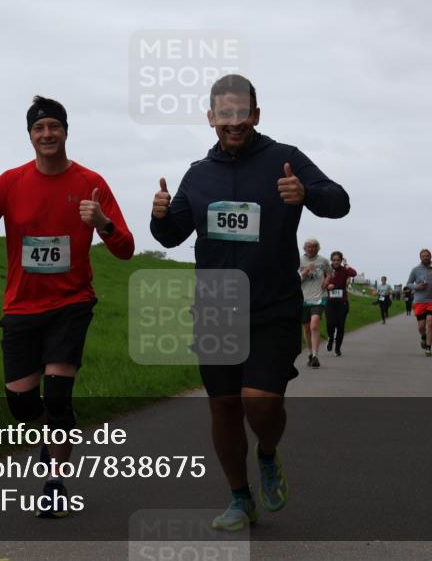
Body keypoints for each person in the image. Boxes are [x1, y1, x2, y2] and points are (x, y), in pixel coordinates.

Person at [150, 74, 350, 531]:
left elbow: (339, 201)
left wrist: (308, 193)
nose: (234, 122)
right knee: (223, 406)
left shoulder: (285, 159)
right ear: (211, 119)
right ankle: (240, 498)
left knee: (259, 403)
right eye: (225, 114)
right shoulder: (199, 175)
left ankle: (266, 452)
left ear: (255, 115)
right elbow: (170, 234)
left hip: (273, 306)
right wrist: (160, 212)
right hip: (216, 307)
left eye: (242, 113)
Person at [0, 95, 135, 517]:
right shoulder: (10, 183)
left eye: (54, 126)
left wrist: (102, 223)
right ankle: (52, 432)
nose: (47, 134)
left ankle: (54, 480)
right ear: (30, 136)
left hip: (72, 302)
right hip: (21, 306)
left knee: (56, 393)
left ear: (66, 131)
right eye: (39, 128)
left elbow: (125, 249)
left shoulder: (91, 183)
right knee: (21, 406)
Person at [406, 249, 432, 357]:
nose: (425, 257)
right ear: (420, 258)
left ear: (430, 256)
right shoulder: (415, 270)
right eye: (423, 256)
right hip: (419, 301)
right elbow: (408, 284)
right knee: (421, 327)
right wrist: (417, 287)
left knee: (430, 323)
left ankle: (428, 348)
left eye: (427, 256)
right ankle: (423, 337)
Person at [299, 238, 330, 368]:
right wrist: (305, 271)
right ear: (304, 248)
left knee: (314, 325)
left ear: (317, 248)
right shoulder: (299, 260)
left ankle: (316, 356)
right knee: (306, 329)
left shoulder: (323, 260)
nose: (311, 249)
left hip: (319, 297)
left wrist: (327, 280)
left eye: (313, 247)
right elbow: (294, 280)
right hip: (304, 298)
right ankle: (310, 353)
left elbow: (330, 273)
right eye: (308, 247)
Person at [322, 252, 357, 356]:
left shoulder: (344, 270)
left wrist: (346, 265)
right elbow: (321, 282)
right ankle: (331, 337)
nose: (336, 262)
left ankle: (337, 348)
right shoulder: (327, 270)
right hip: (330, 302)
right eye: (334, 260)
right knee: (330, 324)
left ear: (341, 260)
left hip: (342, 302)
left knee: (340, 325)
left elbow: (354, 273)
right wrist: (327, 285)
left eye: (338, 260)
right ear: (331, 260)